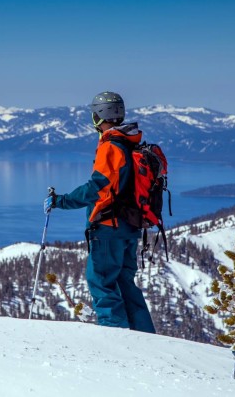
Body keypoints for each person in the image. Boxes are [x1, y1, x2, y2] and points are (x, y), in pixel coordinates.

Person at [43, 91, 156, 333]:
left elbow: (97, 187)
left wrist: (60, 201)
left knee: (102, 284)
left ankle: (115, 340)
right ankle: (146, 338)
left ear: (98, 116)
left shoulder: (111, 146)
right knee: (125, 284)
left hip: (108, 228)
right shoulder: (130, 142)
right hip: (131, 227)